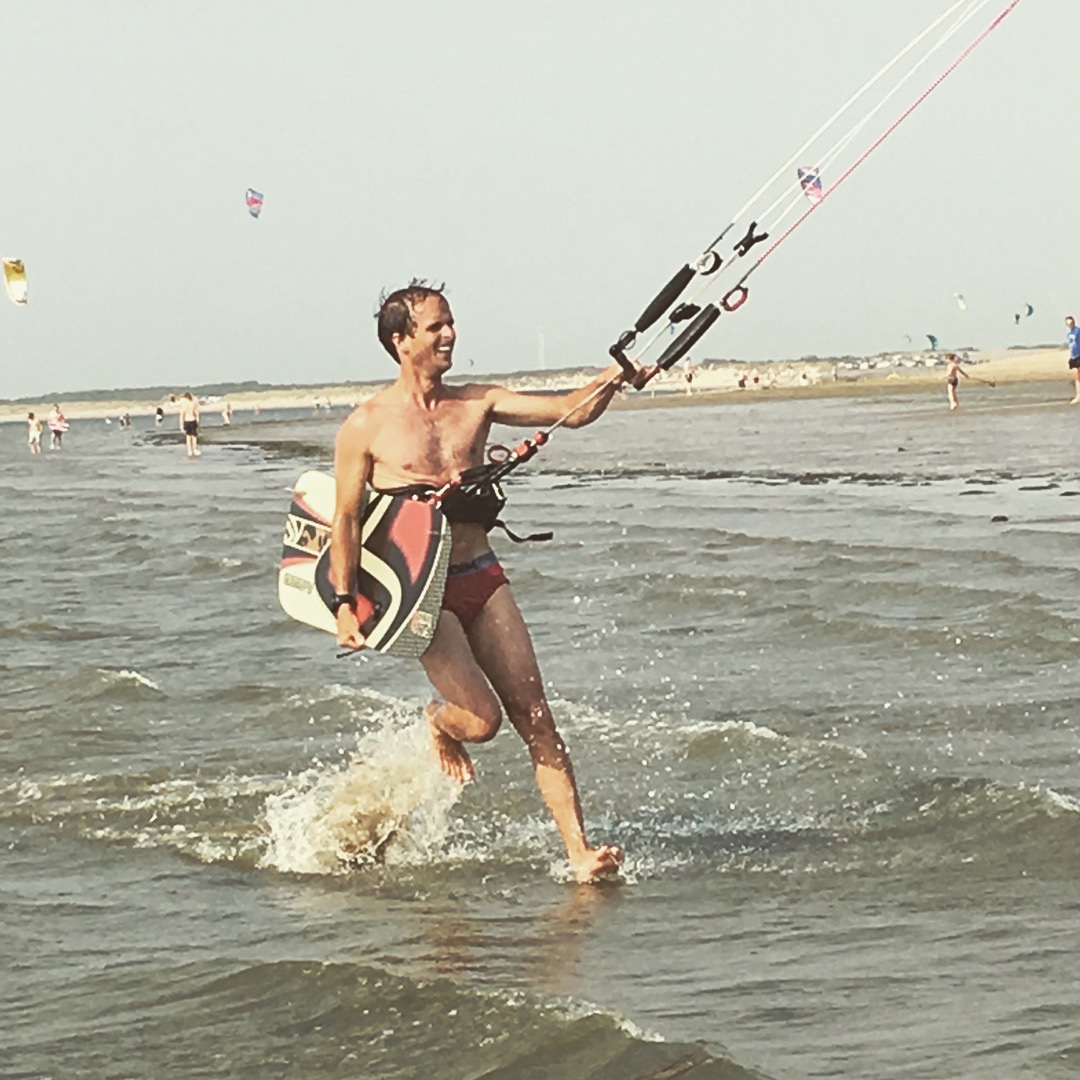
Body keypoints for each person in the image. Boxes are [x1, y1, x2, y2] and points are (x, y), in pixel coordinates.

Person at [330, 282, 628, 883]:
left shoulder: (477, 402)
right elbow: (346, 519)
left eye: (451, 323)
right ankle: (440, 721)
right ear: (401, 340)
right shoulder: (366, 426)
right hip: (423, 593)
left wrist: (615, 378)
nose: (450, 335)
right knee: (483, 722)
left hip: (482, 574)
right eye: (435, 327)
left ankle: (579, 853)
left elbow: (572, 410)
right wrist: (344, 603)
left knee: (535, 715)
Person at [179, 392, 200, 457]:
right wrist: (198, 421)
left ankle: (189, 450)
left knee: (188, 437)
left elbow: (182, 415)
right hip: (193, 420)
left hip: (186, 421)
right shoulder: (192, 403)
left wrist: (181, 425)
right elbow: (196, 413)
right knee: (194, 437)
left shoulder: (184, 405)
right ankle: (194, 449)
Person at [1066, 316, 1080, 403]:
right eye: (1068, 324)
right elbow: (1071, 345)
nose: (1070, 325)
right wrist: (1070, 356)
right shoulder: (1069, 334)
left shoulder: (1078, 331)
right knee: (1077, 377)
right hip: (1074, 356)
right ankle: (1078, 395)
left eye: (1071, 323)